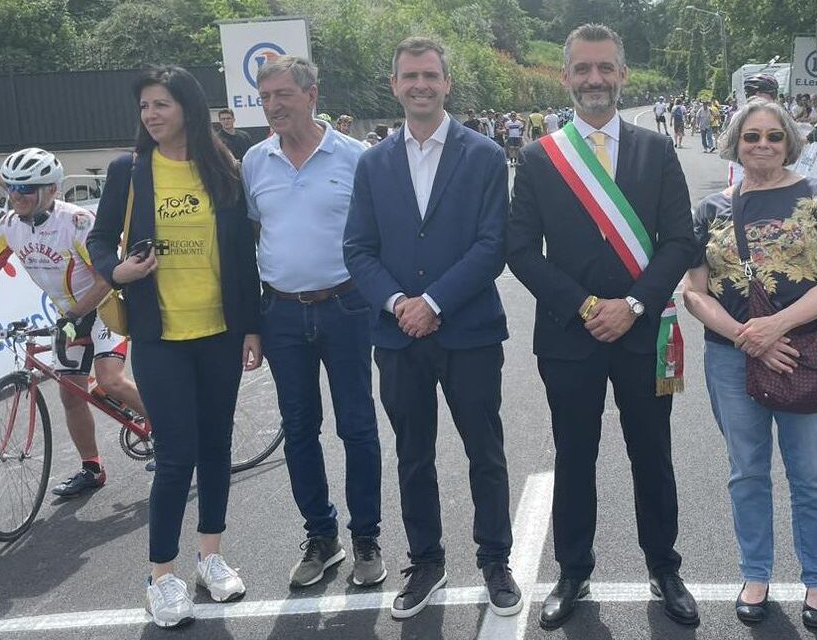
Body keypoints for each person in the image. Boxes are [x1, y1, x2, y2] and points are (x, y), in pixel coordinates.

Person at [506, 23, 700, 629]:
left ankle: (664, 566)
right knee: (574, 455)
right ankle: (572, 570)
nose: (595, 79)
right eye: (584, 69)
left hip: (642, 332)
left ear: (622, 74)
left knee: (653, 454)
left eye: (605, 68)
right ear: (566, 76)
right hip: (571, 335)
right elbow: (520, 250)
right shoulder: (539, 157)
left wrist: (633, 305)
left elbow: (680, 240)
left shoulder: (655, 150)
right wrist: (587, 307)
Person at [343, 36, 521, 621]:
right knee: (412, 456)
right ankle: (426, 561)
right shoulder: (372, 163)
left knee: (484, 452)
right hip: (399, 336)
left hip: (469, 333)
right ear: (394, 85)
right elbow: (358, 249)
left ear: (447, 83)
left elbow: (493, 245)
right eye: (410, 76)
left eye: (430, 75)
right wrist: (400, 303)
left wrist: (436, 302)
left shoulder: (484, 156)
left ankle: (495, 560)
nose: (420, 84)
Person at [87, 65, 262, 629]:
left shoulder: (224, 168)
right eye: (144, 107)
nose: (151, 115)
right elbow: (98, 238)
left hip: (220, 332)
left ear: (188, 107)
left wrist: (251, 326)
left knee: (215, 447)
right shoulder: (130, 170)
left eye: (161, 104)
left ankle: (210, 557)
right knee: (175, 453)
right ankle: (161, 576)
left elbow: (242, 256)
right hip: (159, 336)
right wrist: (117, 271)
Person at [683, 98, 817, 631]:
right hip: (731, 357)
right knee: (746, 473)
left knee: (810, 475)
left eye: (774, 136)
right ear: (735, 143)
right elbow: (693, 292)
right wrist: (747, 337)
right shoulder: (710, 210)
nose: (763, 145)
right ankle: (754, 574)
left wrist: (774, 328)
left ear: (790, 142)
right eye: (752, 136)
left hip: (803, 353)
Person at [241, 55, 387, 592]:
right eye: (265, 98)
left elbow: (377, 237)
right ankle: (322, 537)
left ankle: (366, 537)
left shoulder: (355, 157)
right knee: (299, 429)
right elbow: (250, 241)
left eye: (283, 94)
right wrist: (250, 323)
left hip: (346, 307)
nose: (273, 106)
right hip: (280, 312)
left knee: (357, 426)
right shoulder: (254, 161)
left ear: (311, 95)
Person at [0, 147, 147, 498]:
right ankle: (92, 468)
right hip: (68, 315)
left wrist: (75, 315)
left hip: (103, 308)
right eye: (12, 187)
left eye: (26, 188)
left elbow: (105, 278)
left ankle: (172, 436)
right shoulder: (9, 226)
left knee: (110, 380)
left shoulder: (77, 223)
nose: (15, 195)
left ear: (52, 189)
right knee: (71, 396)